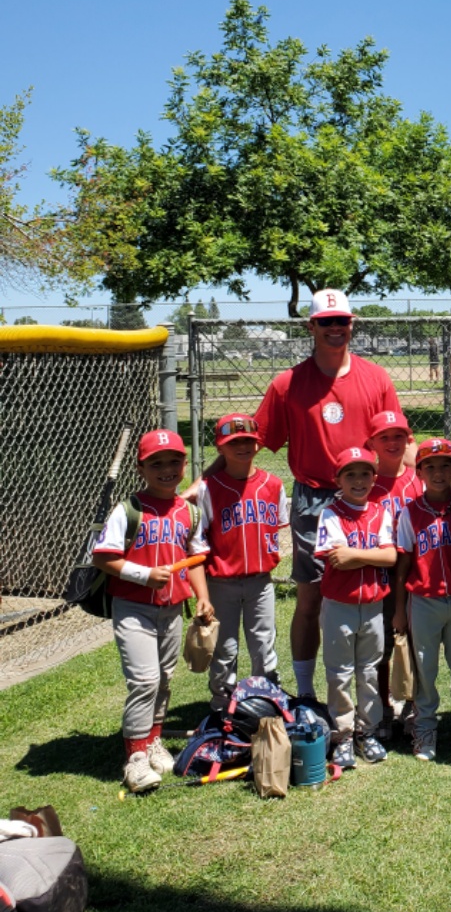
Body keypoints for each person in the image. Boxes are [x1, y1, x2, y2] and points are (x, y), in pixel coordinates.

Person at [207, 290, 403, 700]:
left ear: (352, 324)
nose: (336, 329)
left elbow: (398, 440)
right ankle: (306, 693)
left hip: (367, 497)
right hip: (315, 499)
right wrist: (203, 480)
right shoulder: (287, 384)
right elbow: (250, 441)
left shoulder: (376, 378)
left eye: (342, 321)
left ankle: (377, 698)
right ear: (310, 326)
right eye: (326, 322)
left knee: (376, 595)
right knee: (312, 599)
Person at [93, 429, 213, 793]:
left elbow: (195, 558)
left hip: (171, 609)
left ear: (184, 465)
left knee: (163, 677)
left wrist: (203, 597)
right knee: (144, 680)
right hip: (133, 607)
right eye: (156, 463)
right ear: (140, 468)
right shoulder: (129, 510)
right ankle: (135, 758)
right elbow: (104, 558)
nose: (166, 469)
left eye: (174, 462)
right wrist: (144, 575)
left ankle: (153, 740)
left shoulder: (188, 512)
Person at [189, 413, 290, 711]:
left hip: (261, 582)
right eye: (234, 442)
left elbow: (278, 529)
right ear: (221, 448)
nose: (243, 446)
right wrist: (203, 594)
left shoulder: (273, 484)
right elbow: (199, 540)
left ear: (258, 444)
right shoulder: (209, 488)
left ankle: (265, 701)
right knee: (225, 648)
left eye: (248, 440)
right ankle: (222, 705)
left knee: (264, 645)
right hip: (221, 582)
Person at [392, 438, 451, 762]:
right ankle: (425, 728)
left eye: (445, 465)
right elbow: (402, 566)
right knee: (424, 671)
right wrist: (400, 611)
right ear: (418, 471)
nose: (438, 472)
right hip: (423, 602)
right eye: (429, 466)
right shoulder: (410, 512)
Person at [314, 446, 397, 768]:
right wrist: (369, 554)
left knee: (369, 671)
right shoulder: (331, 513)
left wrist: (356, 555)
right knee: (339, 673)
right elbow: (336, 557)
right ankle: (343, 733)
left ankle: (368, 730)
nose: (359, 480)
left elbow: (390, 557)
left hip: (374, 604)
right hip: (339, 605)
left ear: (375, 477)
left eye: (365, 473)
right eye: (350, 474)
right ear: (338, 479)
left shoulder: (380, 511)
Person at [367, 409, 423, 738]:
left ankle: (416, 707)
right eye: (384, 437)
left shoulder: (420, 479)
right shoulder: (366, 484)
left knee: (418, 644)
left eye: (399, 436)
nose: (392, 442)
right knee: (381, 647)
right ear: (371, 442)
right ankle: (384, 707)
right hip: (380, 579)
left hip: (417, 577)